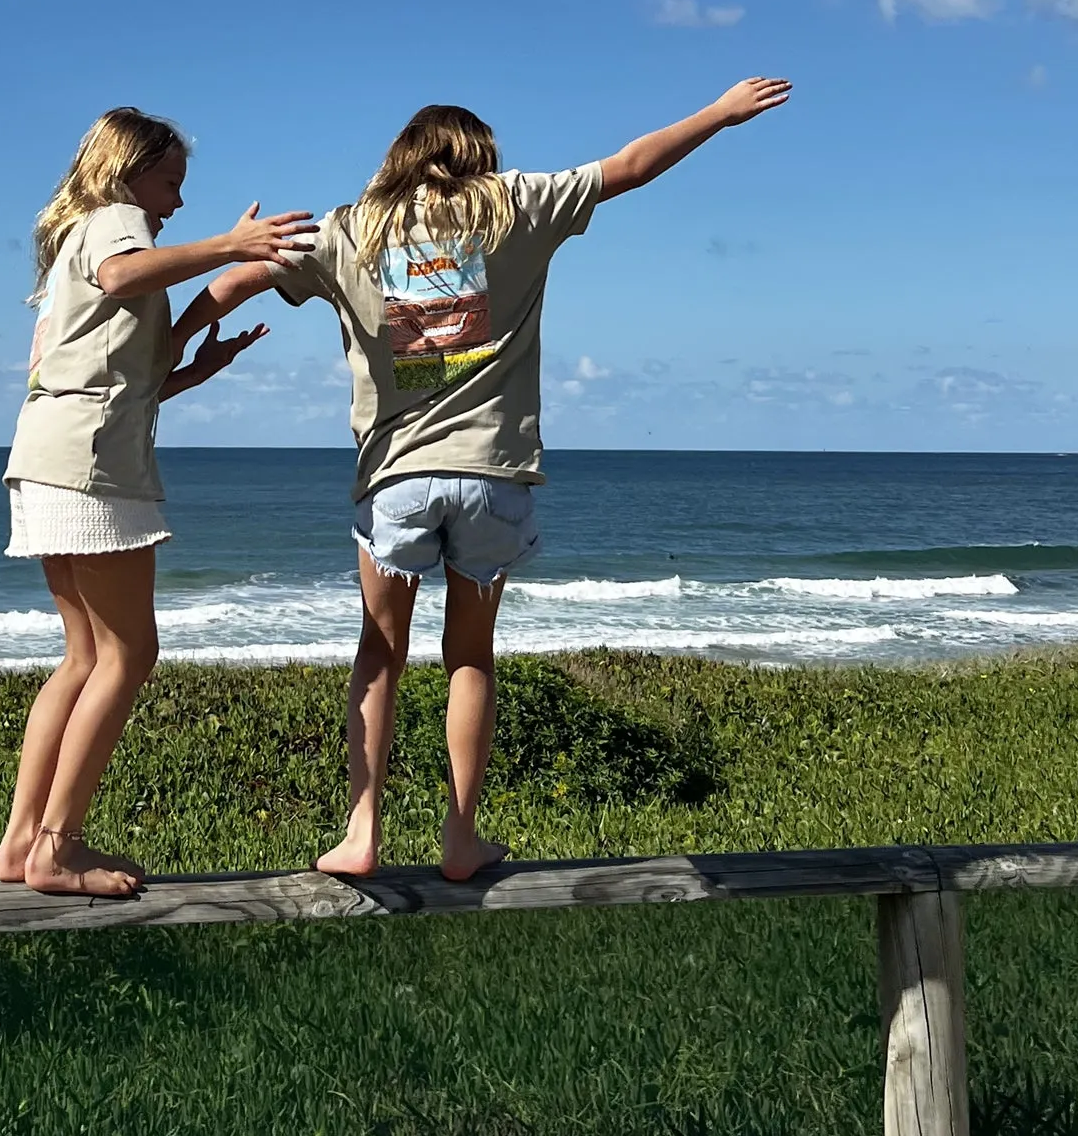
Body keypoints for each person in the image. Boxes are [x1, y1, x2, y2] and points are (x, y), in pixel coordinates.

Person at [175, 78, 791, 881]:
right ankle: (460, 837)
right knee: (469, 654)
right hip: (494, 473)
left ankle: (362, 832)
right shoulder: (515, 206)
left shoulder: (348, 231)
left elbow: (238, 277)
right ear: (479, 156)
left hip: (395, 476)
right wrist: (718, 112)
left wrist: (176, 347)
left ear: (402, 157)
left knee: (381, 651)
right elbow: (632, 165)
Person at [0, 106, 313, 898]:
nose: (173, 203)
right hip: (92, 466)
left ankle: (21, 844)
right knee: (130, 655)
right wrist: (230, 247)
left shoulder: (88, 232)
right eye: (169, 182)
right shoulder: (114, 221)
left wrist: (194, 370)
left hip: (48, 454)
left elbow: (113, 361)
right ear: (126, 170)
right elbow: (124, 276)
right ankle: (57, 849)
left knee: (83, 658)